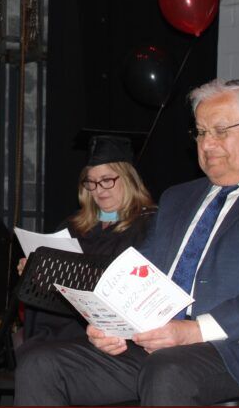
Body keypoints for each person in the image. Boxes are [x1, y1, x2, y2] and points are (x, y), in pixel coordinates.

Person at [16, 78, 239, 406]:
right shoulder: (178, 198)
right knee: (41, 364)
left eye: (220, 131)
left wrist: (195, 330)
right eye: (200, 132)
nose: (207, 143)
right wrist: (111, 322)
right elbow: (140, 274)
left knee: (167, 369)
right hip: (156, 346)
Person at [12, 135, 155, 398]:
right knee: (32, 353)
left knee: (39, 361)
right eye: (91, 182)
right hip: (59, 329)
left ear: (129, 178)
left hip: (113, 339)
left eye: (107, 180)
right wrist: (34, 274)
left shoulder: (150, 225)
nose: (99, 190)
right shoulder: (73, 226)